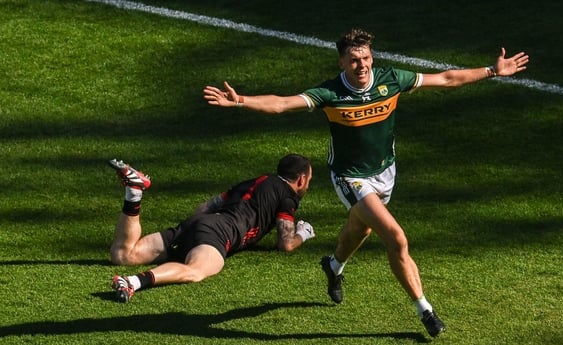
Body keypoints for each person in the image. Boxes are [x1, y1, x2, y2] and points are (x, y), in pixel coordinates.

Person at [203, 28, 529, 337]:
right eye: (354, 60)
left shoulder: (391, 80)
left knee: (361, 229)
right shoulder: (331, 93)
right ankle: (425, 310)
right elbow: (282, 104)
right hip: (350, 177)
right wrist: (241, 100)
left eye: (366, 58)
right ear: (342, 62)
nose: (362, 65)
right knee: (396, 237)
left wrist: (492, 70)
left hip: (385, 172)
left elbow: (445, 78)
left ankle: (334, 266)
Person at [107, 154, 315, 303]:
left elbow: (206, 207)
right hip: (218, 232)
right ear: (301, 179)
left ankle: (134, 193)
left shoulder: (255, 181)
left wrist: (187, 231)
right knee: (196, 271)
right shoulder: (288, 197)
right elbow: (286, 244)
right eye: (309, 181)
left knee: (123, 255)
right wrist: (302, 234)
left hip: (196, 224)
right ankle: (134, 282)